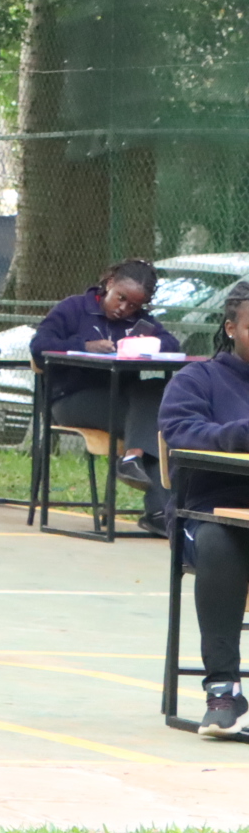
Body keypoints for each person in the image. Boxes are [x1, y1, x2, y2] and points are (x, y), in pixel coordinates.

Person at [156, 281, 249, 740]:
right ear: (231, 328)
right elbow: (179, 431)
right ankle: (223, 690)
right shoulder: (198, 380)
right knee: (218, 540)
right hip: (211, 512)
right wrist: (238, 434)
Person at [31, 258, 182, 536]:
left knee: (156, 392)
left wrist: (148, 344)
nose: (124, 309)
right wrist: (84, 346)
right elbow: (39, 346)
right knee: (157, 422)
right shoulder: (74, 308)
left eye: (133, 305)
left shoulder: (139, 322)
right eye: (121, 298)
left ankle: (133, 459)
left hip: (122, 402)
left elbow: (173, 344)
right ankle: (157, 511)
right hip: (71, 399)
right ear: (109, 283)